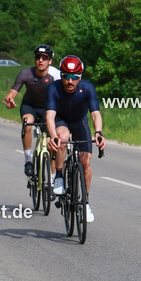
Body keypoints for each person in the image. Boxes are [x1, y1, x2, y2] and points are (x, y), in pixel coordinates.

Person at [46, 56, 105, 223]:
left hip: (80, 122)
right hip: (61, 120)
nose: (70, 81)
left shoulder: (88, 88)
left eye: (74, 77)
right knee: (63, 138)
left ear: (80, 77)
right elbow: (50, 116)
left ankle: (85, 202)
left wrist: (99, 132)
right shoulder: (54, 88)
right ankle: (58, 176)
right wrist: (53, 136)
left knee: (85, 163)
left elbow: (95, 114)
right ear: (61, 76)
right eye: (66, 76)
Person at [4, 44, 58, 177]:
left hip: (48, 109)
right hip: (30, 106)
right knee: (27, 123)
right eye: (38, 57)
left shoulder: (56, 75)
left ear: (50, 61)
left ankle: (52, 178)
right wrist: (10, 100)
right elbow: (13, 92)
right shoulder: (26, 73)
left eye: (44, 58)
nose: (40, 60)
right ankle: (28, 160)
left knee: (51, 143)